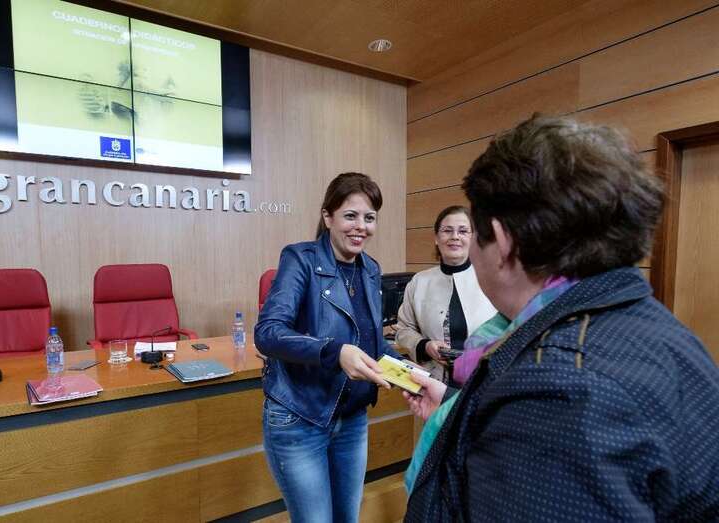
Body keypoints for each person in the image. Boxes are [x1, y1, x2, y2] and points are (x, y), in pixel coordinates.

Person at [404, 115, 719, 521]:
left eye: (474, 235)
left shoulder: (554, 390)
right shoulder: (655, 329)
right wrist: (456, 407)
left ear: (502, 242)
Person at [255, 172, 401, 523]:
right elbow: (268, 333)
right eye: (350, 215)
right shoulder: (300, 259)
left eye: (369, 218)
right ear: (328, 217)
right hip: (300, 416)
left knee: (347, 518)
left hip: (352, 419)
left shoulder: (370, 269)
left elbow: (374, 343)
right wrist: (334, 352)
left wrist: (408, 372)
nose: (361, 227)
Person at [395, 205, 495, 384]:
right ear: (436, 238)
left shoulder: (492, 278)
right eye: (447, 230)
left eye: (463, 231)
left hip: (484, 381)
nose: (455, 236)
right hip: (435, 381)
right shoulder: (419, 281)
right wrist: (425, 346)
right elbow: (403, 330)